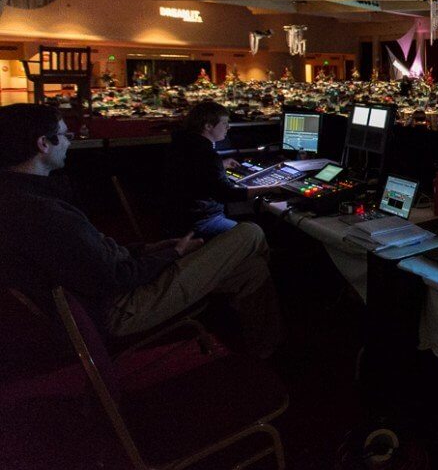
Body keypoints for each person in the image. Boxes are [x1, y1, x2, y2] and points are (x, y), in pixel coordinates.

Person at [0, 104, 282, 357]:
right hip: (122, 310)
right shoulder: (45, 213)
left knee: (252, 270)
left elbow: (93, 259)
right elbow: (116, 276)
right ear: (43, 144)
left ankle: (262, 350)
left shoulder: (23, 198)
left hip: (117, 286)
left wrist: (145, 249)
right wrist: (174, 253)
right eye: (64, 136)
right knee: (250, 232)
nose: (69, 143)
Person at [164, 101, 251, 239]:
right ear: (208, 126)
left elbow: (194, 171)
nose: (228, 127)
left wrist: (220, 165)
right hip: (202, 223)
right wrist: (271, 187)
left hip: (180, 218)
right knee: (252, 235)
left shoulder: (183, 144)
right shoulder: (207, 155)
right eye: (224, 123)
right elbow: (226, 194)